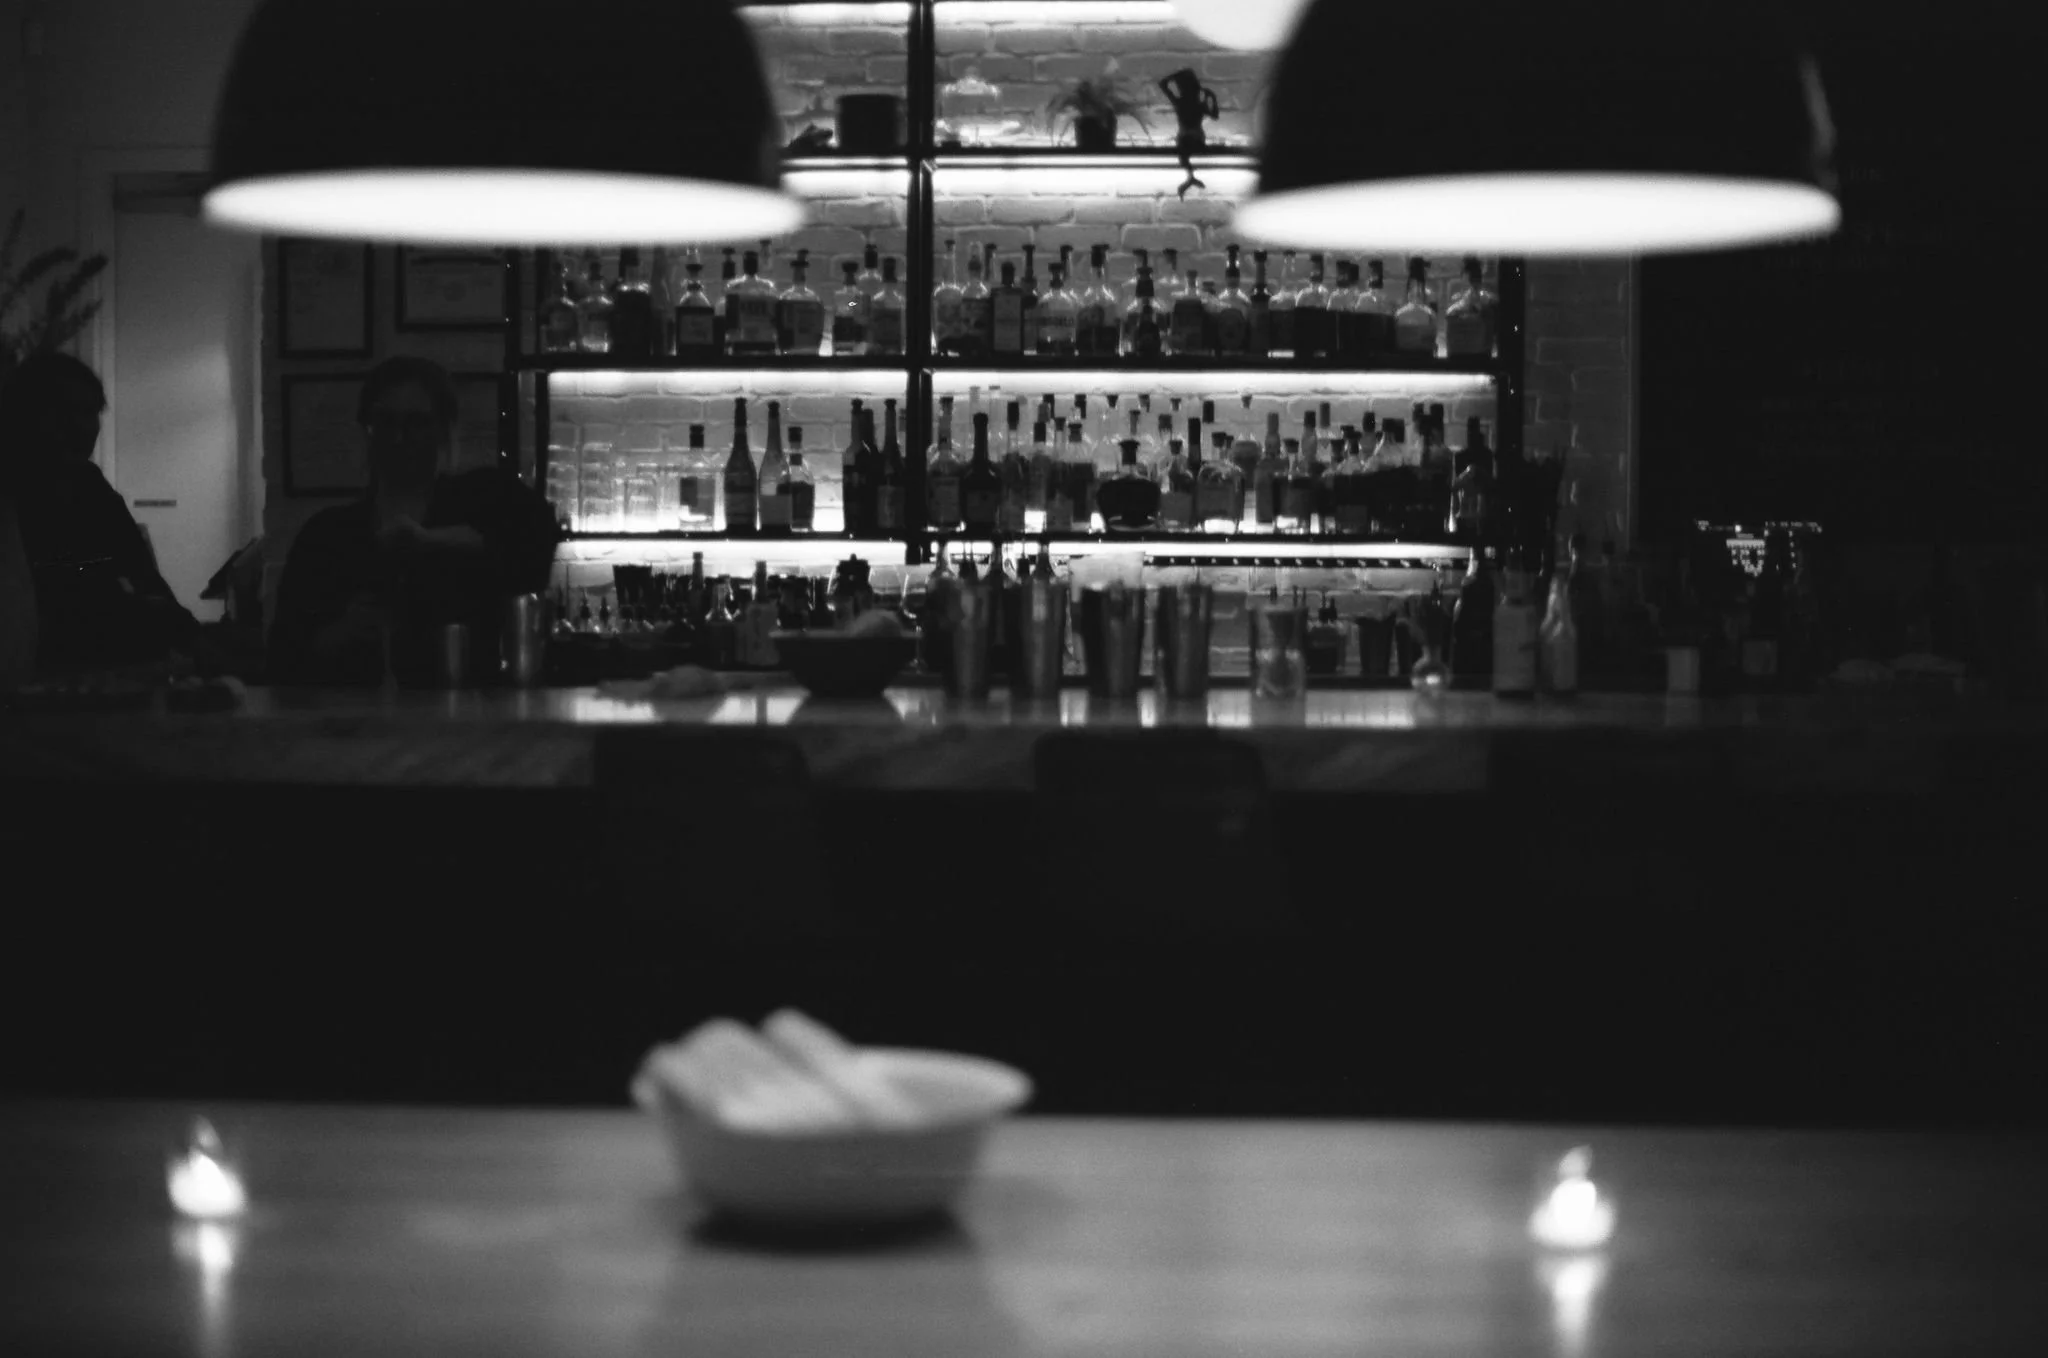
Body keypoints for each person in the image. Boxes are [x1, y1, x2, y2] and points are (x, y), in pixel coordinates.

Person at [268, 357, 558, 686]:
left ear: (443, 429)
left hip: (469, 721)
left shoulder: (482, 498)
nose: (399, 438)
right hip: (356, 727)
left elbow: (535, 547)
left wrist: (434, 540)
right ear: (368, 429)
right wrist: (340, 633)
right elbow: (282, 657)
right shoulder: (327, 535)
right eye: (385, 422)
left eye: (416, 423)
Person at [0, 352, 201, 676]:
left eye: (90, 412)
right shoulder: (15, 494)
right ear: (24, 416)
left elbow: (143, 575)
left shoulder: (89, 486)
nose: (81, 427)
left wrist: (189, 633)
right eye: (65, 412)